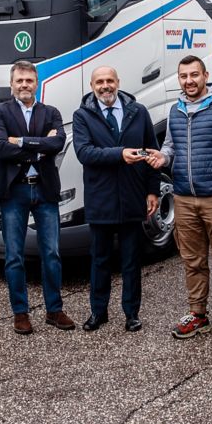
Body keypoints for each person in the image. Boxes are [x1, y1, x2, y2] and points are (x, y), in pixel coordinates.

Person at [147, 56, 212, 343]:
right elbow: (170, 146)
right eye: (184, 76)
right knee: (192, 260)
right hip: (183, 198)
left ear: (205, 75)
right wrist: (162, 157)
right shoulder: (176, 110)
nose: (189, 81)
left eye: (194, 75)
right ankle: (198, 315)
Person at [0, 60, 76, 334]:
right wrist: (40, 146)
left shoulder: (51, 112)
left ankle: (54, 310)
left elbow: (57, 143)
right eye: (20, 80)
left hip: (45, 189)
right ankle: (20, 313)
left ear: (36, 83)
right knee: (14, 255)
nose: (24, 85)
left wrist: (21, 141)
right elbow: (0, 148)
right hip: (14, 191)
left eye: (29, 80)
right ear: (11, 84)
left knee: (52, 253)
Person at [72, 65, 159, 333]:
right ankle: (98, 312)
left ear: (118, 82)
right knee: (100, 259)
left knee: (131, 260)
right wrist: (119, 154)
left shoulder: (138, 112)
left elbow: (152, 152)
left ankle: (132, 313)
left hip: (133, 196)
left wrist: (152, 190)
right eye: (99, 82)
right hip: (101, 199)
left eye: (109, 80)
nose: (105, 86)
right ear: (92, 86)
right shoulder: (82, 116)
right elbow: (84, 153)